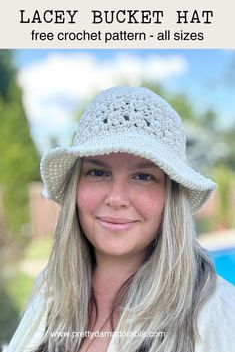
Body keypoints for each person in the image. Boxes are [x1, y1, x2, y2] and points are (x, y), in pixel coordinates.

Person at [5, 86, 235, 352]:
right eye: (98, 173)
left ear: (170, 196)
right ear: (76, 187)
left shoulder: (218, 313)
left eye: (143, 177)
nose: (116, 198)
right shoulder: (49, 291)